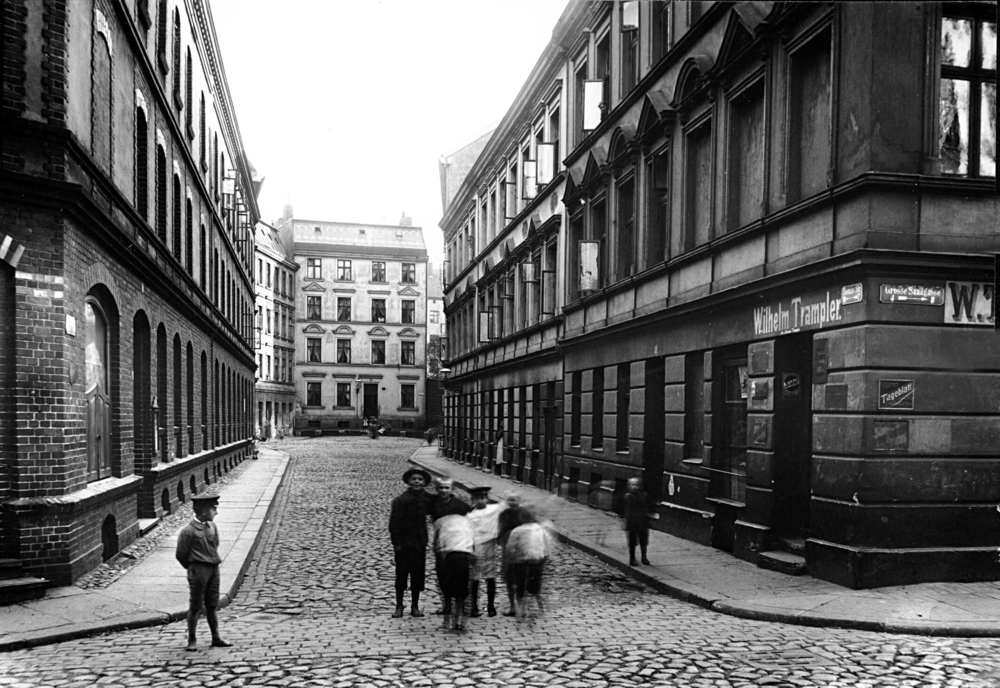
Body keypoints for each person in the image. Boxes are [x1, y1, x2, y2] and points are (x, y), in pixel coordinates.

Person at [175, 494, 232, 652]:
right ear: (204, 511)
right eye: (214, 509)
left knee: (212, 605)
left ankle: (216, 637)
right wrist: (193, 567)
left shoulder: (212, 527)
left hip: (213, 569)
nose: (216, 512)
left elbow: (216, 544)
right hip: (199, 571)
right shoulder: (188, 531)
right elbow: (181, 554)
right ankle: (192, 640)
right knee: (195, 606)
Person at [389, 467, 432, 618]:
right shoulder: (401, 500)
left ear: (425, 482)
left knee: (417, 575)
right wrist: (397, 543)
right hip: (404, 544)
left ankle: (415, 605)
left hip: (419, 543)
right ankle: (399, 605)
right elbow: (394, 524)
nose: (417, 482)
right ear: (408, 481)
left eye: (420, 479)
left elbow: (439, 507)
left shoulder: (427, 498)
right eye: (414, 479)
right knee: (401, 574)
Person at [428, 477, 472, 617]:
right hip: (441, 543)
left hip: (457, 544)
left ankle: (460, 606)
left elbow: (470, 522)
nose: (443, 490)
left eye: (446, 488)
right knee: (443, 575)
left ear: (452, 489)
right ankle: (446, 604)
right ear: (437, 489)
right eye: (440, 487)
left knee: (460, 575)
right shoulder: (434, 504)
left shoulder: (460, 505)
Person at [466, 485, 507, 617]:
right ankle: (474, 606)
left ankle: (490, 606)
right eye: (477, 498)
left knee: (490, 576)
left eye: (483, 498)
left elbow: (509, 504)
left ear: (487, 498)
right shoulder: (470, 515)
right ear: (472, 499)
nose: (480, 501)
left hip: (490, 546)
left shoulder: (494, 509)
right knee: (475, 578)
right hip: (476, 547)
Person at [433, 513, 475, 631]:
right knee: (461, 591)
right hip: (463, 557)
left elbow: (439, 544)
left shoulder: (442, 524)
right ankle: (459, 620)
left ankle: (452, 619)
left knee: (451, 588)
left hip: (449, 557)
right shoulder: (466, 524)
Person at [497, 492, 535, 616]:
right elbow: (500, 529)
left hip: (522, 551)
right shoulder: (504, 514)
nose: (512, 502)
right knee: (509, 579)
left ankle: (523, 607)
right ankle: (512, 606)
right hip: (508, 550)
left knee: (522, 579)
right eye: (510, 500)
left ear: (520, 501)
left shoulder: (525, 513)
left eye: (515, 500)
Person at [505, 520, 550, 619]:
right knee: (535, 586)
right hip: (536, 561)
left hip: (520, 562)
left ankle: (522, 610)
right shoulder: (540, 529)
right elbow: (546, 546)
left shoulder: (516, 531)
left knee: (520, 586)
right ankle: (541, 607)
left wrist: (512, 559)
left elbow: (511, 548)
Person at [623, 477, 652, 566]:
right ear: (629, 486)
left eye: (637, 485)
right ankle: (632, 558)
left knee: (644, 540)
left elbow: (649, 507)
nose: (635, 487)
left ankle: (644, 557)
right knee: (632, 541)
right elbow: (624, 510)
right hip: (632, 522)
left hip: (642, 521)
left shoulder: (645, 496)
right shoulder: (627, 497)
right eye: (633, 485)